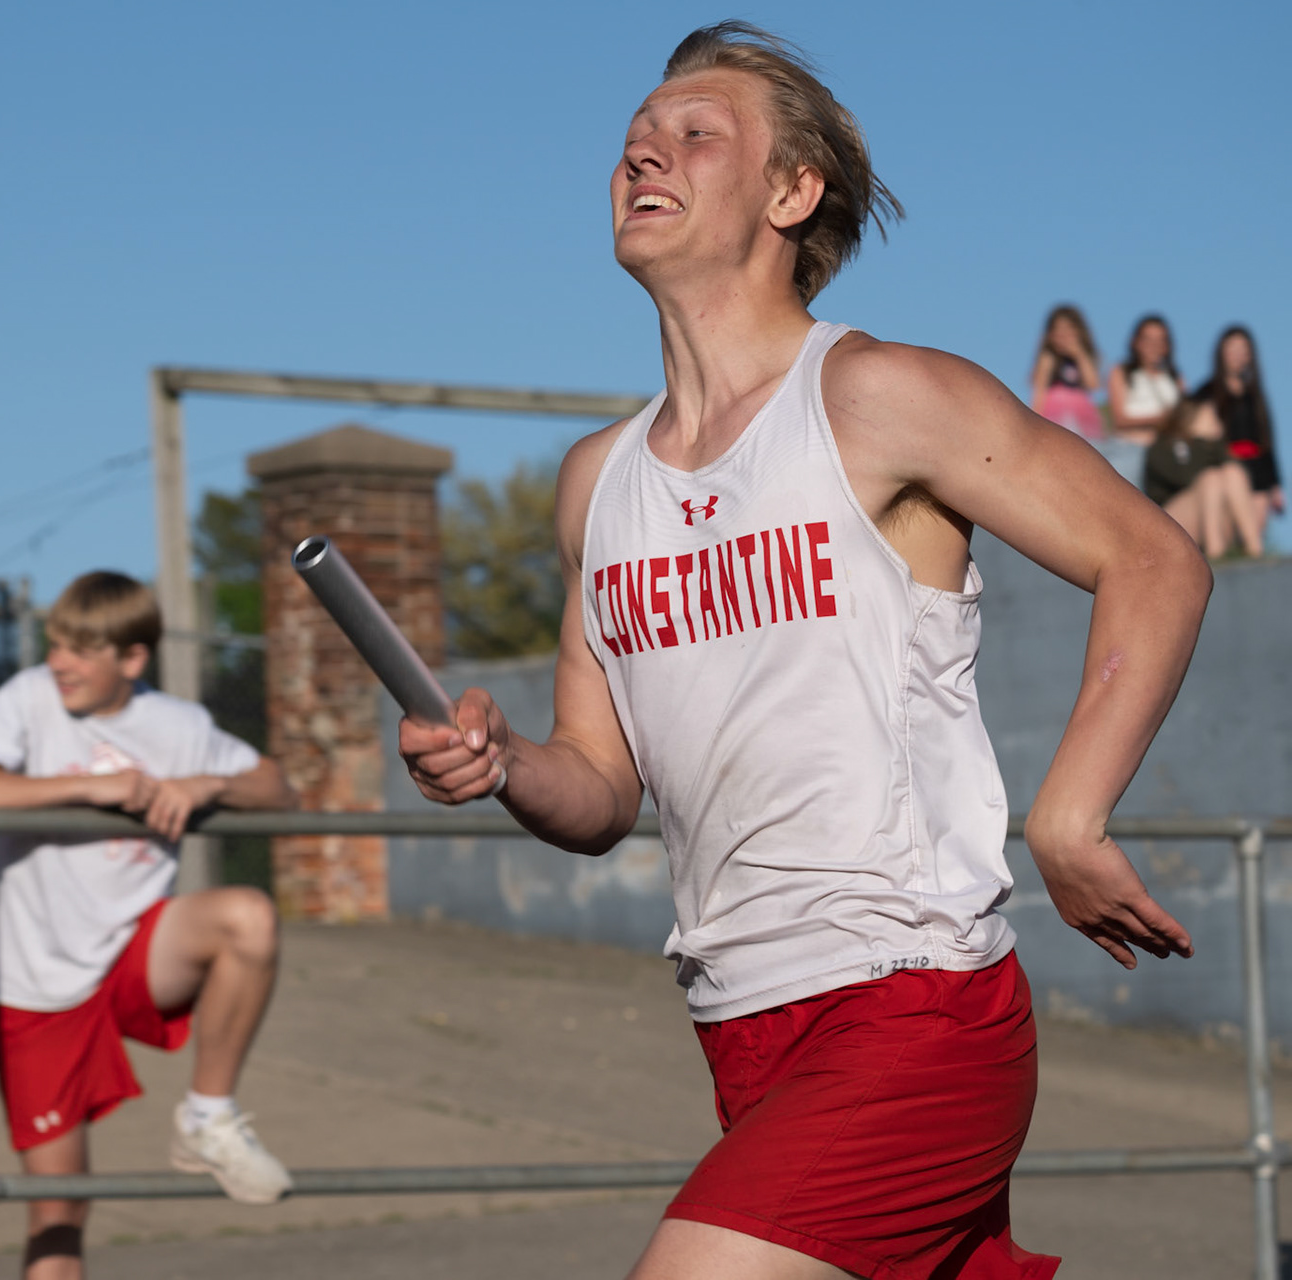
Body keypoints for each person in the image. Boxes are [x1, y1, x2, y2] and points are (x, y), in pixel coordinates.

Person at [400, 23, 1210, 1280]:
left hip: (914, 1001)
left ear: (792, 192)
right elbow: (600, 788)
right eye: (633, 141)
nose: (643, 156)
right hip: (737, 1019)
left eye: (694, 136)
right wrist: (502, 763)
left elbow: (1154, 556)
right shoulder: (596, 484)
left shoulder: (876, 396)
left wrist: (1069, 814)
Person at [0, 570, 297, 1280]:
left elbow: (280, 789)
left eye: (81, 650)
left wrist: (211, 783)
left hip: (137, 954)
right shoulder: (29, 697)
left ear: (133, 658)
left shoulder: (179, 723)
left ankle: (208, 1118)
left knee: (248, 918)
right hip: (38, 985)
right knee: (60, 1210)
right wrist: (88, 786)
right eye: (55, 646)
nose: (60, 664)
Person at [1142, 398, 1262, 559]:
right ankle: (1215, 550)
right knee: (1211, 479)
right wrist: (1201, 442)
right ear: (1191, 418)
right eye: (1211, 416)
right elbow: (1185, 477)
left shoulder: (1214, 446)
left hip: (1212, 516)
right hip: (1172, 522)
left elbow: (1235, 468)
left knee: (1233, 472)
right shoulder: (1163, 447)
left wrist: (1213, 444)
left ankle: (1254, 547)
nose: (1216, 421)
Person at [1199, 325, 1283, 538]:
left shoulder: (1255, 395)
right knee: (1227, 533)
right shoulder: (1207, 392)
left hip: (1258, 470)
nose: (1237, 355)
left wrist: (1276, 485)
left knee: (1254, 535)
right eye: (1232, 349)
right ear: (1222, 353)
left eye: (1243, 350)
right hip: (1226, 467)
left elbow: (1266, 439)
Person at [1105, 313, 1188, 447]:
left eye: (1160, 340)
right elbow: (1119, 420)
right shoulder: (1122, 372)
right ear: (1136, 342)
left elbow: (1186, 416)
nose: (1154, 346)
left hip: (1169, 447)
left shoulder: (1175, 378)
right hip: (1131, 446)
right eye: (1148, 339)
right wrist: (1159, 419)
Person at [1029, 304, 1102, 438]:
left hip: (1082, 417)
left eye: (1068, 330)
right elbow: (1039, 392)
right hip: (1054, 415)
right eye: (1058, 330)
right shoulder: (1048, 359)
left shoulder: (1084, 358)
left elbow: (1093, 384)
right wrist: (1034, 423)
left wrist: (1079, 354)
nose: (1063, 336)